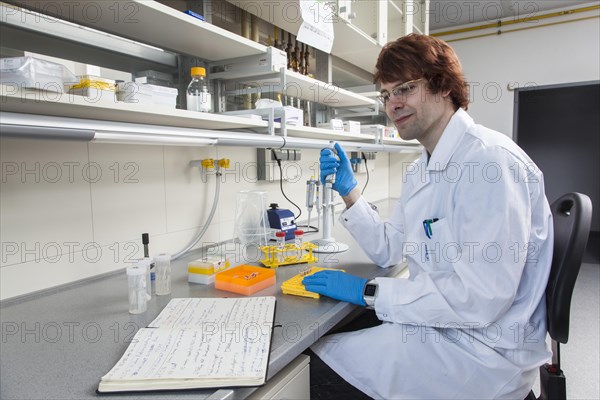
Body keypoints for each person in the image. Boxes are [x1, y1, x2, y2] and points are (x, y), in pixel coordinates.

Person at [302, 33, 554, 399]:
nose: (393, 104)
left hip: (483, 353)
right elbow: (389, 249)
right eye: (386, 95)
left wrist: (368, 290)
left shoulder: (488, 162)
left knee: (307, 375)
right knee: (333, 343)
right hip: (446, 328)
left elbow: (481, 299)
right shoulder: (424, 168)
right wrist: (349, 191)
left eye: (404, 88)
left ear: (443, 86)